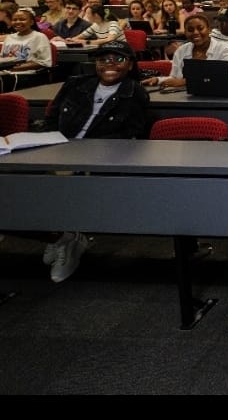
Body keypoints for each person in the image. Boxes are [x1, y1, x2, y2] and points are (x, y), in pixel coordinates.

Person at [26, 42, 151, 282]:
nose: (110, 64)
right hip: (59, 149)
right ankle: (62, 235)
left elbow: (131, 137)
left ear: (130, 65)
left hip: (95, 157)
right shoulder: (76, 84)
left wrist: (85, 151)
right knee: (15, 183)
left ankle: (64, 238)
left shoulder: (134, 93)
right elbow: (52, 118)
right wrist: (48, 144)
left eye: (118, 59)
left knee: (47, 187)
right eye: (103, 59)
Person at [142, 14, 228, 89]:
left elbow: (223, 80)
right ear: (185, 33)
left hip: (215, 99)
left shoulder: (225, 50)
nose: (195, 32)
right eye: (190, 30)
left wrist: (185, 81)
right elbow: (175, 78)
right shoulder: (181, 50)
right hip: (183, 97)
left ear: (209, 29)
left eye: (200, 28)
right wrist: (158, 80)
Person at [0, 7, 53, 88]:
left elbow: (44, 62)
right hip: (7, 72)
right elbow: (3, 58)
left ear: (31, 22)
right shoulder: (9, 37)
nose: (17, 22)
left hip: (28, 75)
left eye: (22, 19)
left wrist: (14, 68)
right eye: (14, 20)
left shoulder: (39, 37)